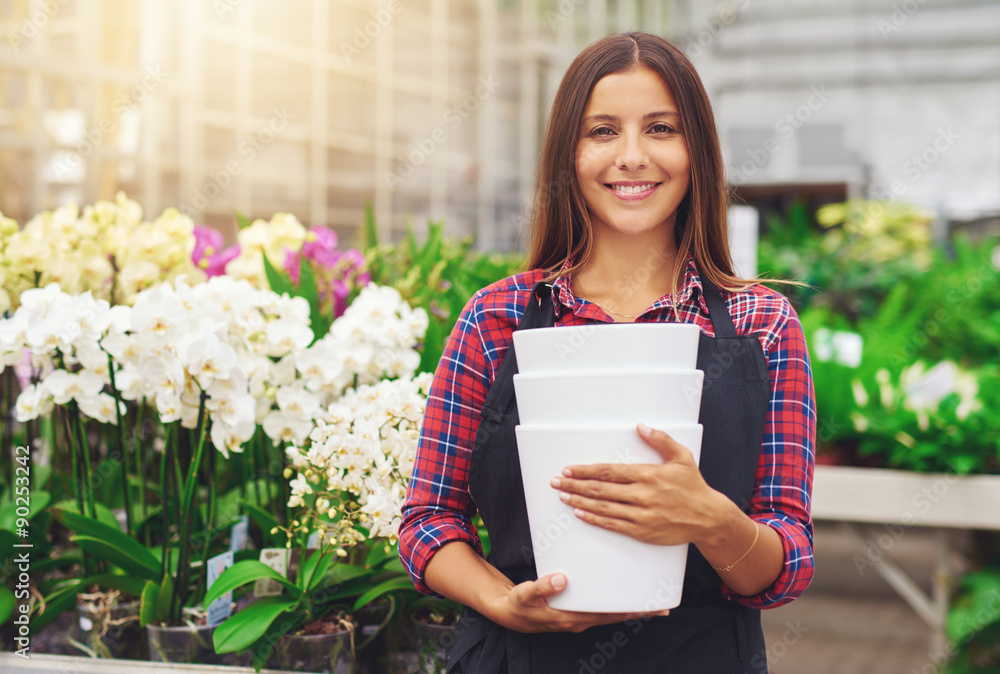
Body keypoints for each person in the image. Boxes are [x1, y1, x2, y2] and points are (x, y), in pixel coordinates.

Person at [398, 31, 815, 673]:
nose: (631, 156)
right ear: (568, 152)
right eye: (601, 131)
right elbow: (428, 521)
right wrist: (504, 602)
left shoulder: (762, 326)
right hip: (519, 657)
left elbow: (785, 564)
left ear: (697, 150)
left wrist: (710, 519)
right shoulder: (495, 319)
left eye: (660, 128)